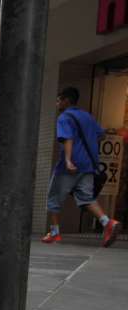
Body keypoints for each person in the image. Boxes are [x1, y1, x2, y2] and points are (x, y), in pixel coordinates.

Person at [42, 87, 120, 247]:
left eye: (58, 100)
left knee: (53, 199)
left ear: (66, 101)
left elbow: (68, 138)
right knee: (86, 198)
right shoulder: (88, 116)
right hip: (88, 165)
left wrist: (69, 160)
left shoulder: (64, 117)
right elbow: (102, 134)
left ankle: (55, 233)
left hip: (69, 166)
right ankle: (108, 222)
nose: (57, 103)